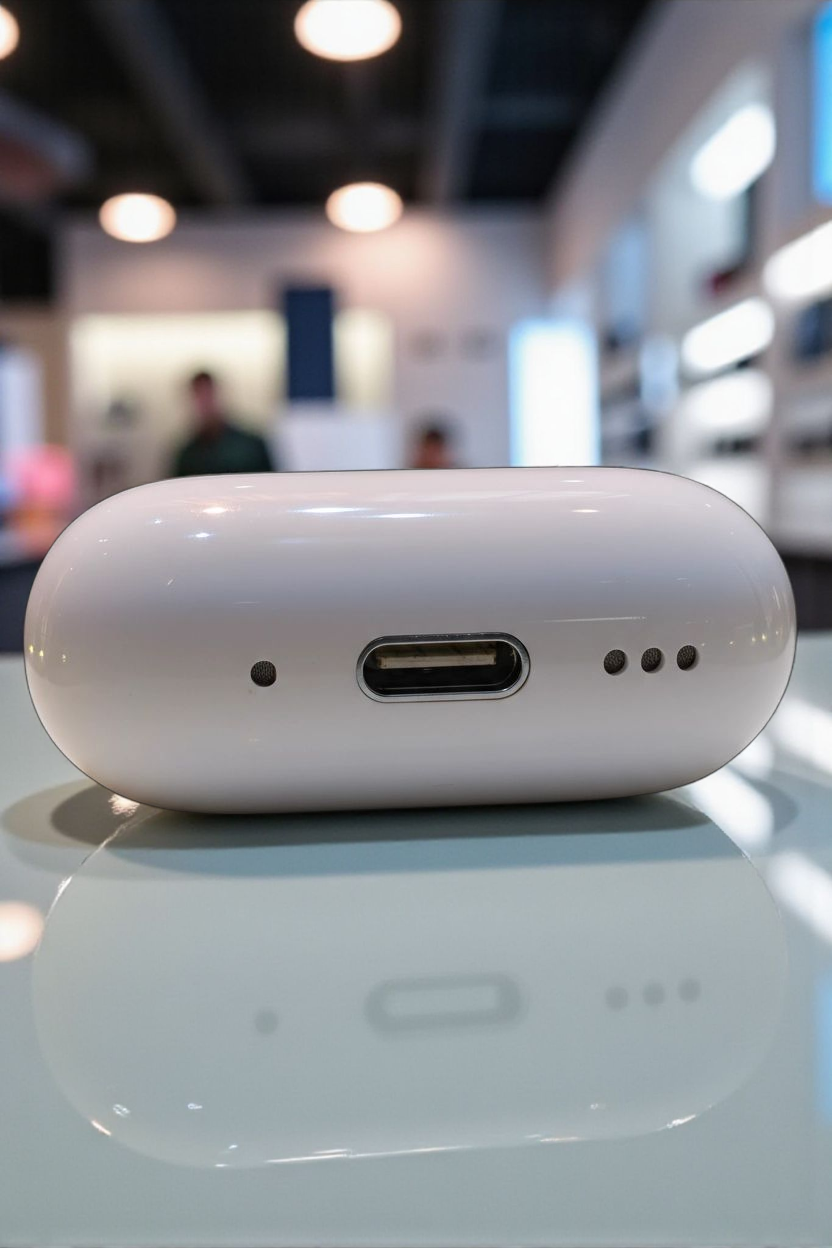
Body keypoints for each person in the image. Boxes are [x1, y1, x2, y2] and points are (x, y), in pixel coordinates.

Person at [171, 371, 276, 477]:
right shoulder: (187, 455)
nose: (205, 404)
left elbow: (269, 482)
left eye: (208, 395)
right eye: (199, 397)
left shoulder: (251, 446)